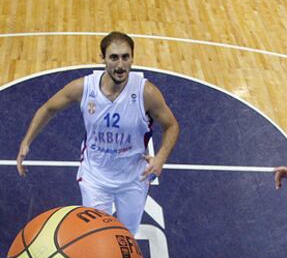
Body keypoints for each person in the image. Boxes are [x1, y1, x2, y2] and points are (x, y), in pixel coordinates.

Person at [16, 31, 179, 235]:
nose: (120, 65)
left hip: (133, 178)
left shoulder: (146, 93)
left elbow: (172, 125)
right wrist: (26, 142)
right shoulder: (84, 88)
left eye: (125, 57)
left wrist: (162, 157)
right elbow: (48, 108)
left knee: (127, 236)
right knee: (95, 235)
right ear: (102, 58)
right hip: (95, 178)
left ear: (132, 58)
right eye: (113, 57)